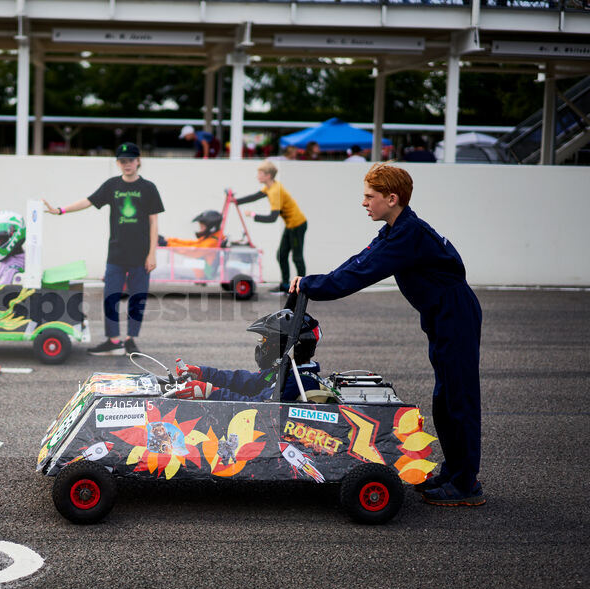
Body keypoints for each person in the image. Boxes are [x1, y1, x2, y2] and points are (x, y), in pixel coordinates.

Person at [289, 162, 484, 507]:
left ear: (392, 198)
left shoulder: (409, 235)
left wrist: (312, 285)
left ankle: (465, 484)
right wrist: (312, 280)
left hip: (455, 314)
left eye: (370, 196)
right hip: (442, 315)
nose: (364, 203)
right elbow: (358, 262)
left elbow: (360, 276)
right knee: (445, 398)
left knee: (459, 398)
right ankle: (454, 472)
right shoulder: (397, 230)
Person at [44, 142, 164, 356]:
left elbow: (154, 222)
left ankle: (130, 340)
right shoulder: (112, 186)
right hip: (116, 253)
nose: (127, 164)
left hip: (141, 255)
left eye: (131, 160)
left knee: (137, 299)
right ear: (118, 163)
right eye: (123, 161)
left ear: (138, 162)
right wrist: (60, 210)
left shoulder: (148, 188)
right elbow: (88, 201)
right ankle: (113, 339)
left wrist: (152, 253)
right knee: (111, 297)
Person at [174, 308, 322, 402]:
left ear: (282, 347)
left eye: (265, 341)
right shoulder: (286, 370)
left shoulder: (297, 381)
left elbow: (257, 407)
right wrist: (204, 374)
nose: (262, 346)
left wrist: (211, 393)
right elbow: (248, 381)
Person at [235, 160, 308, 295]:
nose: (258, 176)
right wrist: (236, 201)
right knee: (281, 255)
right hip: (290, 224)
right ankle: (286, 285)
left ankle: (303, 287)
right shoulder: (270, 187)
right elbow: (257, 196)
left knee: (297, 257)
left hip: (297, 225)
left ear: (268, 176)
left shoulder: (275, 191)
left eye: (260, 173)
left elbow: (272, 218)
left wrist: (253, 215)